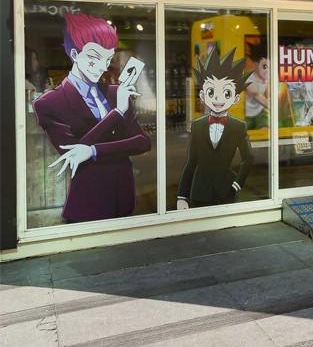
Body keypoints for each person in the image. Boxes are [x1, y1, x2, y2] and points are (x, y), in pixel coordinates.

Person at [33, 13, 150, 222]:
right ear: (75, 54)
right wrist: (117, 113)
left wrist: (94, 151)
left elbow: (142, 142)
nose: (102, 66)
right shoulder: (49, 103)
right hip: (88, 202)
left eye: (108, 59)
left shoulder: (116, 92)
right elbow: (73, 152)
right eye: (94, 57)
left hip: (123, 196)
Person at [177, 46, 254, 209]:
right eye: (211, 92)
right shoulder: (197, 125)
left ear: (235, 98)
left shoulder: (239, 126)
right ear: (203, 96)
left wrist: (236, 185)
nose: (218, 99)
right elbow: (191, 162)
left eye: (226, 93)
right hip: (199, 191)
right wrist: (182, 196)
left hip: (226, 189)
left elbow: (248, 158)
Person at [244, 40, 270, 130]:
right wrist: (274, 107)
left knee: (265, 129)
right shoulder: (249, 79)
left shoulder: (266, 78)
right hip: (247, 114)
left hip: (260, 112)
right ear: (255, 65)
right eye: (265, 66)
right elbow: (257, 96)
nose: (268, 70)